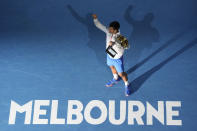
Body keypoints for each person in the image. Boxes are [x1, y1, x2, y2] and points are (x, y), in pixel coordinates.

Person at [92, 14, 131, 96]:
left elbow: (127, 46)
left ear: (116, 30)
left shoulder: (120, 37)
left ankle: (127, 84)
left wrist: (115, 43)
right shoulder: (108, 31)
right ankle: (115, 78)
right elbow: (99, 25)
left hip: (117, 58)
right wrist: (95, 19)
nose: (109, 30)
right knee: (111, 66)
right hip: (109, 55)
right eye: (109, 28)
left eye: (111, 29)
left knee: (122, 74)